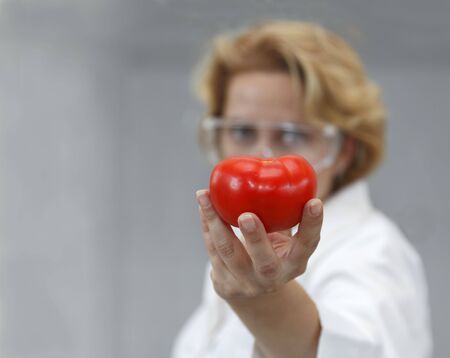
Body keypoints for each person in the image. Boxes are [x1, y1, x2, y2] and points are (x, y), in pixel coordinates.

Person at [171, 20, 432, 358]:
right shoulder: (236, 260)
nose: (262, 157)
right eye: (242, 131)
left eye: (292, 135)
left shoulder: (375, 254)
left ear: (343, 151)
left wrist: (264, 299)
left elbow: (357, 349)